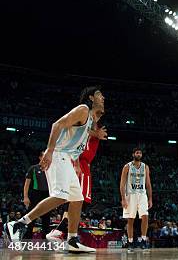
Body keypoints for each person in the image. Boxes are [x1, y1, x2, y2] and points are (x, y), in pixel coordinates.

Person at [3, 86, 104, 253]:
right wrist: (49, 151)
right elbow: (57, 124)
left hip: (68, 159)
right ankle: (18, 224)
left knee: (77, 199)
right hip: (58, 155)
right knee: (60, 196)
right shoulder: (83, 109)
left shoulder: (90, 120)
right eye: (100, 95)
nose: (103, 98)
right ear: (91, 97)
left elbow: (76, 143)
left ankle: (72, 239)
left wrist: (77, 162)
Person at [46, 119, 107, 242]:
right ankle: (58, 232)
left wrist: (96, 133)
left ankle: (65, 235)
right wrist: (95, 133)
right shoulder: (83, 123)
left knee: (73, 202)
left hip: (80, 164)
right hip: (79, 164)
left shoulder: (91, 130)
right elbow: (78, 129)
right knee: (80, 201)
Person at [120, 147, 152, 250]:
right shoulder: (127, 166)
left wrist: (150, 198)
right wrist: (123, 198)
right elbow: (122, 184)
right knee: (130, 219)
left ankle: (143, 240)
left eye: (140, 153)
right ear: (133, 154)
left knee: (145, 216)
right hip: (130, 195)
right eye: (137, 153)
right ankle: (130, 242)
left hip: (142, 194)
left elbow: (148, 183)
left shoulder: (145, 167)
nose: (139, 154)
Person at [23, 151, 50, 239]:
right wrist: (25, 197)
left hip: (47, 195)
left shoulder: (50, 169)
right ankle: (27, 239)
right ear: (40, 157)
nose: (46, 158)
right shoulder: (33, 168)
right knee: (31, 217)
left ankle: (45, 242)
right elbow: (26, 184)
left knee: (46, 219)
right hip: (35, 194)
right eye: (44, 156)